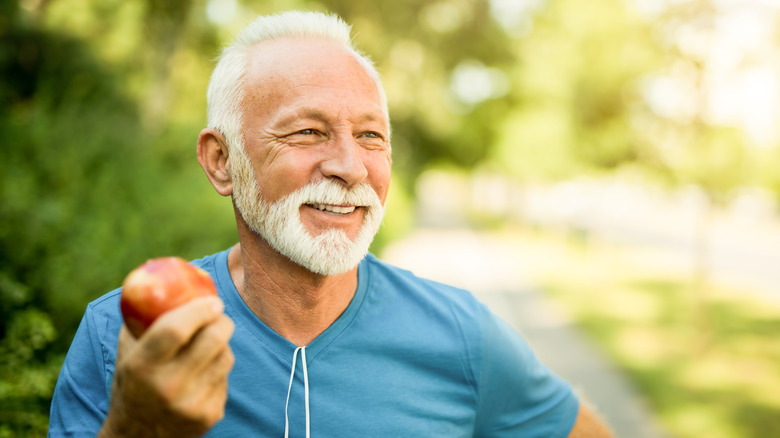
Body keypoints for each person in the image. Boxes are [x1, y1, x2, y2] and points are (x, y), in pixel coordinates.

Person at [48, 10, 613, 438]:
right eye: (307, 132)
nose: (350, 167)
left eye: (370, 136)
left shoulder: (463, 336)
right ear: (222, 162)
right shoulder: (123, 337)